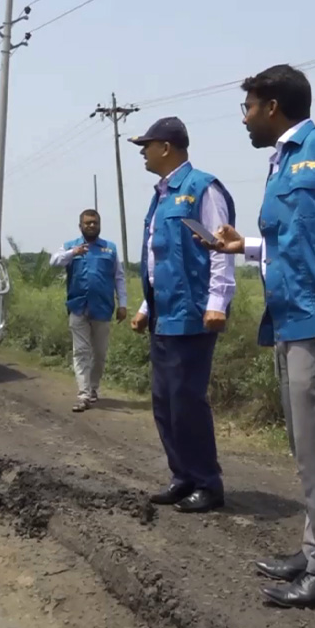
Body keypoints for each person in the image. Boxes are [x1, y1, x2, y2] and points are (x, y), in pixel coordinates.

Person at [201, 64, 315, 609]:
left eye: (248, 107)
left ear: (272, 106)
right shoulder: (281, 163)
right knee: (304, 447)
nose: (245, 119)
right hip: (288, 318)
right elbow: (297, 242)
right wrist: (244, 247)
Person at [127, 116, 236, 514]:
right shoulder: (160, 196)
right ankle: (183, 476)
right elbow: (161, 261)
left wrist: (217, 303)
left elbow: (221, 250)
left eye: (147, 145)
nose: (143, 151)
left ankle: (208, 483)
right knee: (164, 402)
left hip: (192, 313)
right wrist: (144, 307)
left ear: (167, 147)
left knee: (187, 400)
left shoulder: (201, 189)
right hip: (163, 314)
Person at [48, 209, 129, 412]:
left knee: (99, 353)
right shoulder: (70, 246)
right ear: (80, 226)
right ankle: (83, 394)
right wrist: (73, 253)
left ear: (99, 225)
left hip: (102, 308)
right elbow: (54, 261)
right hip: (78, 306)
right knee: (81, 352)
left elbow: (119, 277)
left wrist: (123, 304)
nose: (91, 226)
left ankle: (93, 388)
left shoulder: (109, 249)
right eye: (87, 223)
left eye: (95, 222)